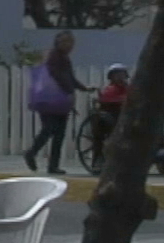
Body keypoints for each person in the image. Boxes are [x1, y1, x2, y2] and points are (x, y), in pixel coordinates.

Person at [25, 31, 92, 175]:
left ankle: (53, 165)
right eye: (65, 42)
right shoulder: (54, 56)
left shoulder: (65, 58)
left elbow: (70, 77)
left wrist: (83, 88)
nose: (69, 45)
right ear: (58, 43)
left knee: (59, 134)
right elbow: (57, 76)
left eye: (71, 42)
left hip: (60, 101)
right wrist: (68, 90)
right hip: (51, 99)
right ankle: (31, 152)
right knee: (49, 128)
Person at [90, 64, 128, 171]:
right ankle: (98, 158)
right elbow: (106, 100)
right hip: (111, 118)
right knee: (99, 126)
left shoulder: (129, 88)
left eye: (122, 75)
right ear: (111, 77)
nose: (120, 77)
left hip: (129, 116)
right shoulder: (109, 89)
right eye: (117, 75)